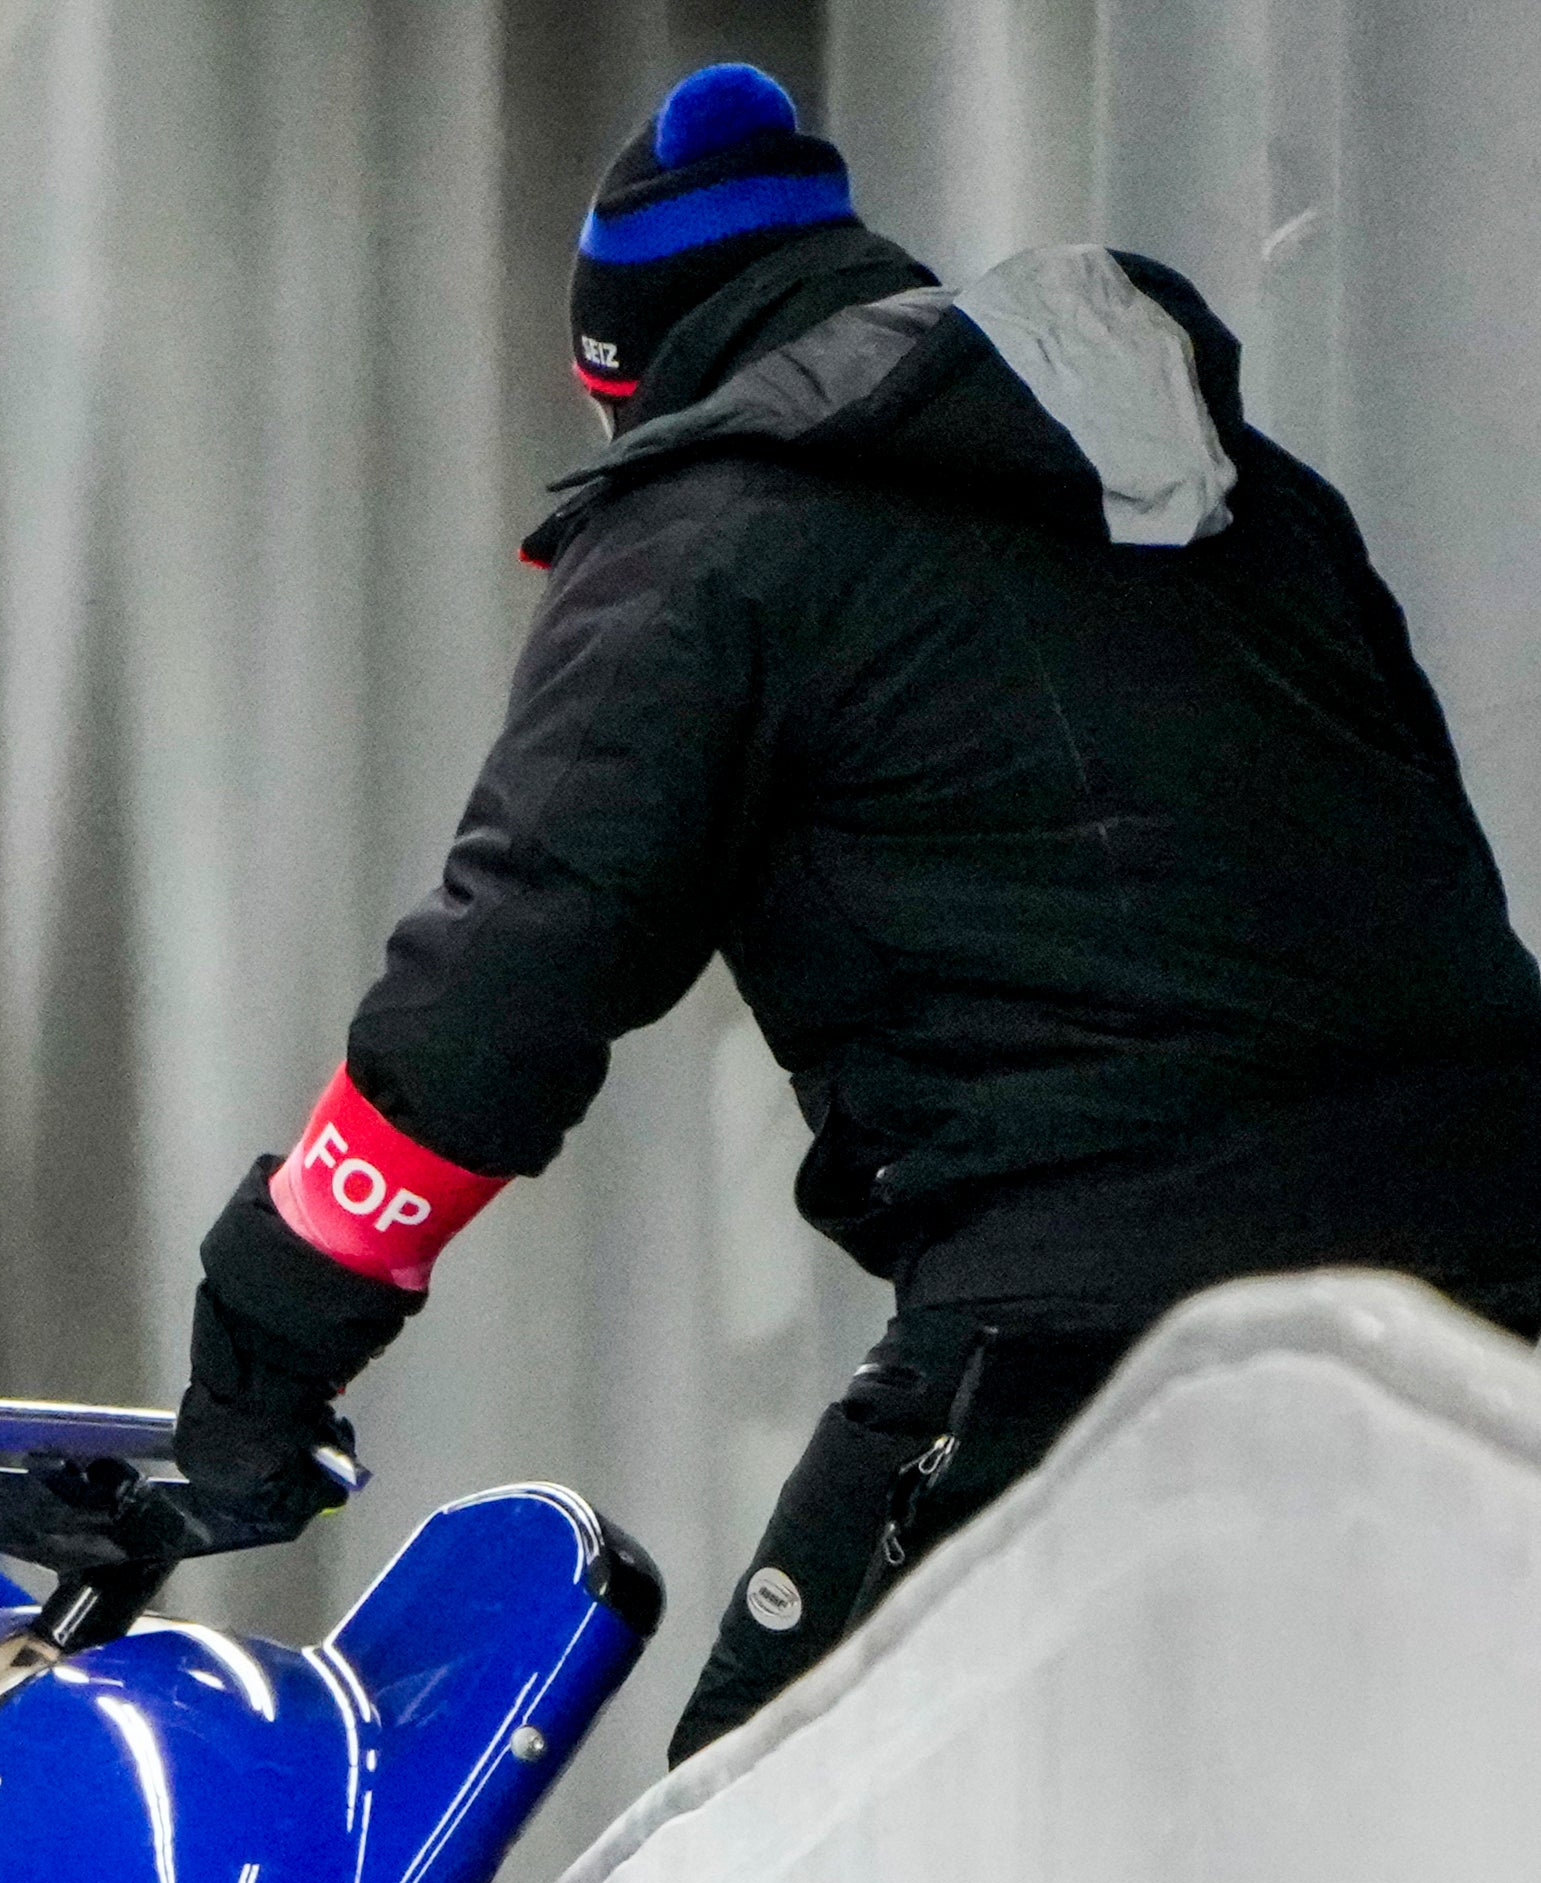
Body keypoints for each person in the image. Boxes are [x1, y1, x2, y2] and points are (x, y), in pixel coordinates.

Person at [171, 64, 1541, 1769]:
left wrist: (263, 1350)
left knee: (751, 1873)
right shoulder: (1245, 490)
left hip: (1090, 1310)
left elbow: (505, 983)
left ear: (629, 376)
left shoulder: (710, 541)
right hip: (1496, 1252)